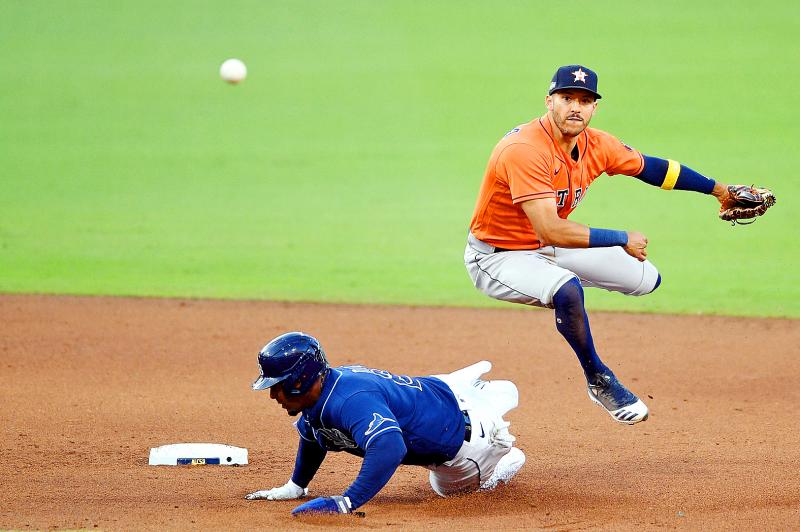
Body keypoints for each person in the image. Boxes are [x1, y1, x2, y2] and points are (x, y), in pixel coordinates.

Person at [465, 64, 751, 425]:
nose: (575, 107)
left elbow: (654, 168)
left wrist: (720, 191)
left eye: (585, 100)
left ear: (594, 108)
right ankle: (598, 378)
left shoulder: (597, 143)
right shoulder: (524, 149)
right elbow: (551, 229)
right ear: (549, 101)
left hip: (548, 245)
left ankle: (552, 284)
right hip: (497, 256)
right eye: (566, 97)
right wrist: (620, 238)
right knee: (566, 290)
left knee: (646, 279)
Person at [244, 332, 526, 515]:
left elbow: (390, 447)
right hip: (441, 392)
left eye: (277, 386)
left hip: (468, 441)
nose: (272, 394)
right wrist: (296, 485)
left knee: (447, 492)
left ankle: (502, 459)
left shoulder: (350, 401)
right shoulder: (321, 392)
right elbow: (312, 434)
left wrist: (347, 502)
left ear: (301, 380)